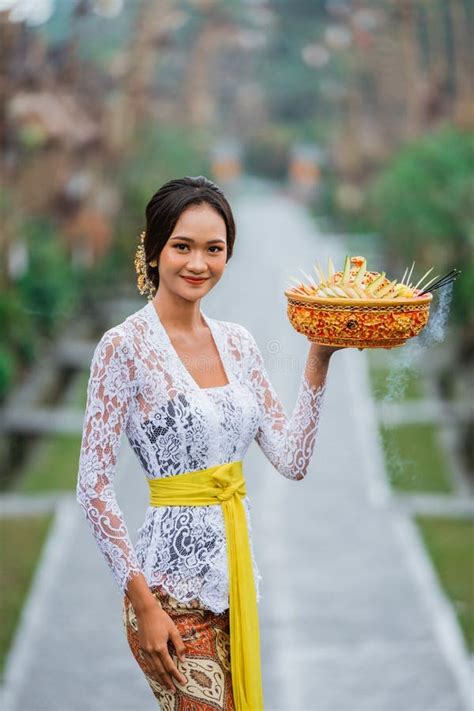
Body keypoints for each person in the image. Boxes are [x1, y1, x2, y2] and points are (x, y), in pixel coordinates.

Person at [76, 175, 340, 710]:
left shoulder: (239, 343)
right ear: (153, 251)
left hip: (232, 585)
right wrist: (143, 604)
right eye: (182, 247)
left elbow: (292, 460)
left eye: (213, 249)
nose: (198, 263)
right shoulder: (124, 348)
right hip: (165, 595)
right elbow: (94, 487)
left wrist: (319, 357)